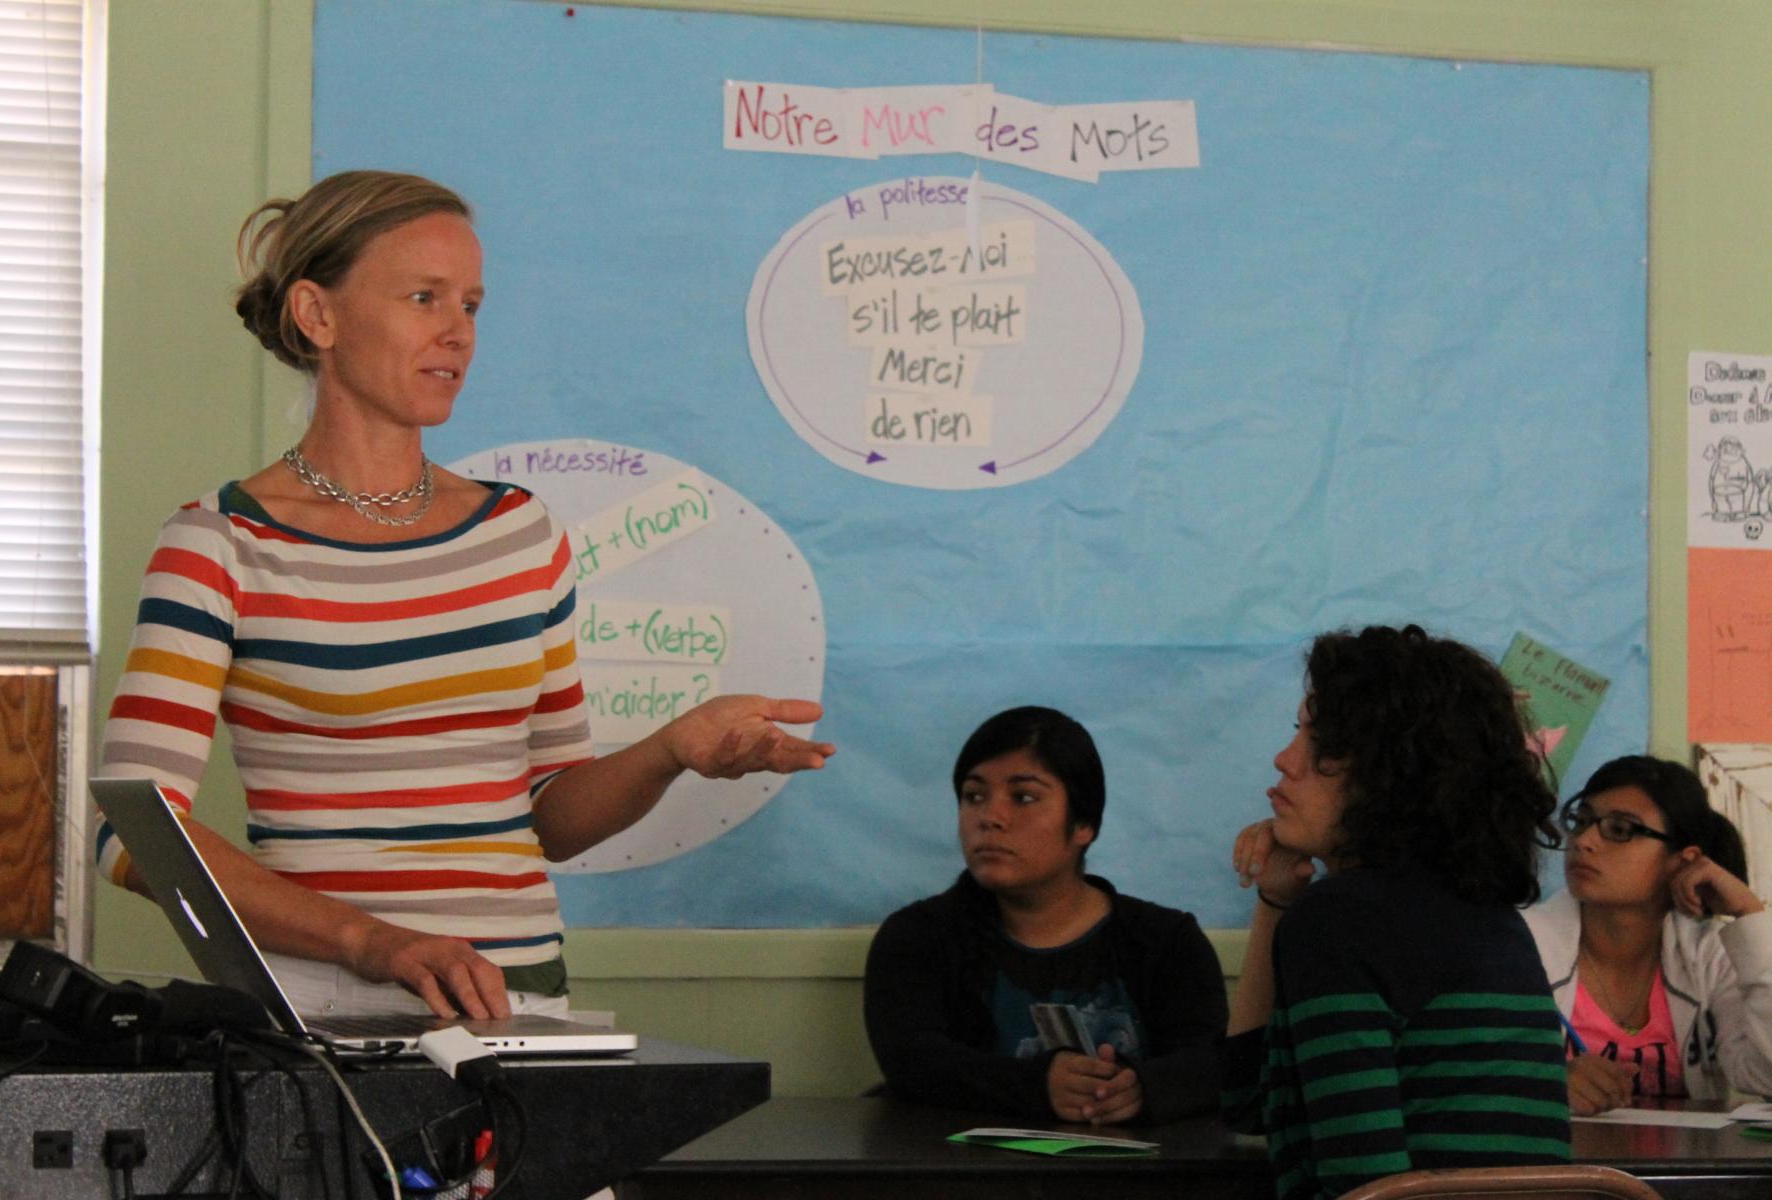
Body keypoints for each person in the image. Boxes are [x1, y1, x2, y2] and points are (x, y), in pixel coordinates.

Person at [97, 170, 833, 1021]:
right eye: (424, 298)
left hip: (517, 1006)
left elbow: (551, 817)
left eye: (472, 306)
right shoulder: (222, 543)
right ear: (318, 314)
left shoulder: (519, 532)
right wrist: (375, 942)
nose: (458, 334)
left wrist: (671, 749)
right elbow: (134, 835)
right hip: (330, 1010)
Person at [1224, 625, 1570, 1200]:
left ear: (1396, 773)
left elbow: (1366, 1187)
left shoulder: (1342, 921)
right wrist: (1276, 900)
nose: (1283, 761)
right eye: (1297, 734)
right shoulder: (1490, 917)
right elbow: (1248, 1102)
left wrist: (1303, 912)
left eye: (1324, 745)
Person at [863, 706, 1226, 1124]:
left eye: (1024, 797)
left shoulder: (1166, 940)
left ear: (1083, 825)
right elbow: (914, 1063)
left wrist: (1140, 1088)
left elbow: (1210, 1064)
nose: (990, 818)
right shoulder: (917, 937)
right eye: (974, 796)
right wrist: (1037, 1085)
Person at [1523, 755, 1772, 1114]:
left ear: (1683, 860)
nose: (1584, 841)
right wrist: (1544, 1083)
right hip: (1558, 1167)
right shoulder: (1525, 944)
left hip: (1680, 1168)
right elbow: (1475, 1073)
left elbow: (1764, 1078)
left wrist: (1749, 916)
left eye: (1621, 829)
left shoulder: (1710, 956)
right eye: (1581, 821)